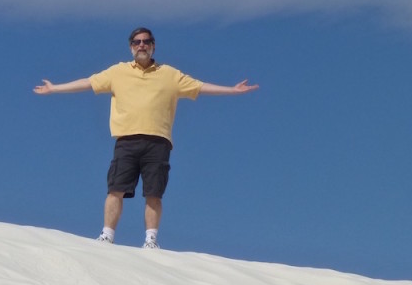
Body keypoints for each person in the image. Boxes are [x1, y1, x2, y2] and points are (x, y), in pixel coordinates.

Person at [33, 27, 258, 249]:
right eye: (137, 42)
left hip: (158, 142)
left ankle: (151, 240)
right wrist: (55, 88)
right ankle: (107, 235)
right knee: (115, 189)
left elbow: (199, 87)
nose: (142, 45)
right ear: (131, 47)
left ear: (153, 46)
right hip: (126, 140)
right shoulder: (118, 72)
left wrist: (232, 90)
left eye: (146, 42)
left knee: (154, 193)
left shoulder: (170, 74)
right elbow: (88, 83)